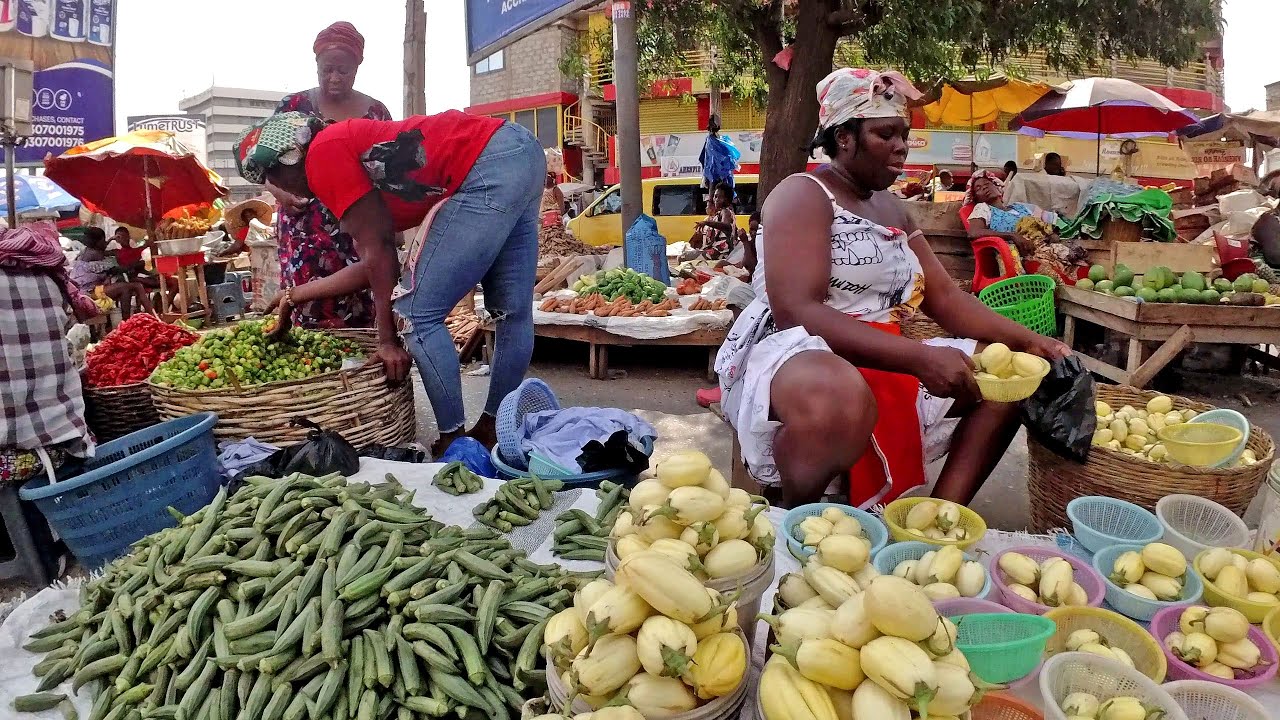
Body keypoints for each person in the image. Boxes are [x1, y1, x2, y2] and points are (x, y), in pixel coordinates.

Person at [715, 68, 1070, 508]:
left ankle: (937, 522)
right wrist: (920, 358)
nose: (902, 146)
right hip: (797, 352)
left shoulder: (893, 208)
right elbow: (797, 311)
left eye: (904, 134)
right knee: (836, 398)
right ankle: (796, 517)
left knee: (1012, 376)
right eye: (886, 134)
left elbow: (945, 299)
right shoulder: (802, 194)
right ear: (844, 137)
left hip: (885, 346)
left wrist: (1035, 342)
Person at [235, 109, 545, 455]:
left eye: (271, 184)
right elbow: (372, 264)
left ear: (283, 165)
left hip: (488, 161)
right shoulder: (342, 149)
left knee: (417, 313)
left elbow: (380, 254)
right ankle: (493, 428)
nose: (280, 197)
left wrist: (387, 341)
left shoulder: (322, 156)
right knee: (512, 313)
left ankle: (455, 439)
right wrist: (292, 295)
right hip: (522, 150)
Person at [269, 21, 393, 330]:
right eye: (327, 70)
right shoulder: (292, 107)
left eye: (343, 71)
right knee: (305, 305)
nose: (334, 78)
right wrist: (281, 194)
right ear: (316, 65)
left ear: (357, 68)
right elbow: (264, 166)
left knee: (362, 300)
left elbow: (391, 178)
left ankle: (363, 373)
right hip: (303, 232)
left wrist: (393, 230)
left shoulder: (376, 113)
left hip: (358, 230)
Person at [963, 170, 1087, 283]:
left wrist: (1052, 234)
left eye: (987, 184)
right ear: (976, 197)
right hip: (1019, 256)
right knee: (1054, 278)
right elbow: (973, 232)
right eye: (978, 188)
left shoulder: (1020, 207)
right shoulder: (983, 209)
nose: (984, 188)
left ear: (997, 187)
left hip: (1044, 247)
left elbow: (1051, 222)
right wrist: (1012, 236)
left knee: (1082, 268)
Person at [70, 227, 153, 319]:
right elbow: (117, 268)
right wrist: (136, 264)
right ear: (98, 242)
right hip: (87, 292)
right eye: (103, 240)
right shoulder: (94, 254)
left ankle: (127, 321)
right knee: (133, 286)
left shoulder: (88, 251)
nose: (105, 243)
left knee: (125, 289)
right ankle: (149, 316)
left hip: (92, 288)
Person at [688, 183, 738, 262]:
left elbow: (726, 226)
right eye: (715, 196)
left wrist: (706, 223)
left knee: (683, 257)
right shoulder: (718, 214)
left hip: (721, 252)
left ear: (727, 199)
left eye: (720, 197)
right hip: (715, 251)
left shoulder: (726, 211)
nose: (716, 199)